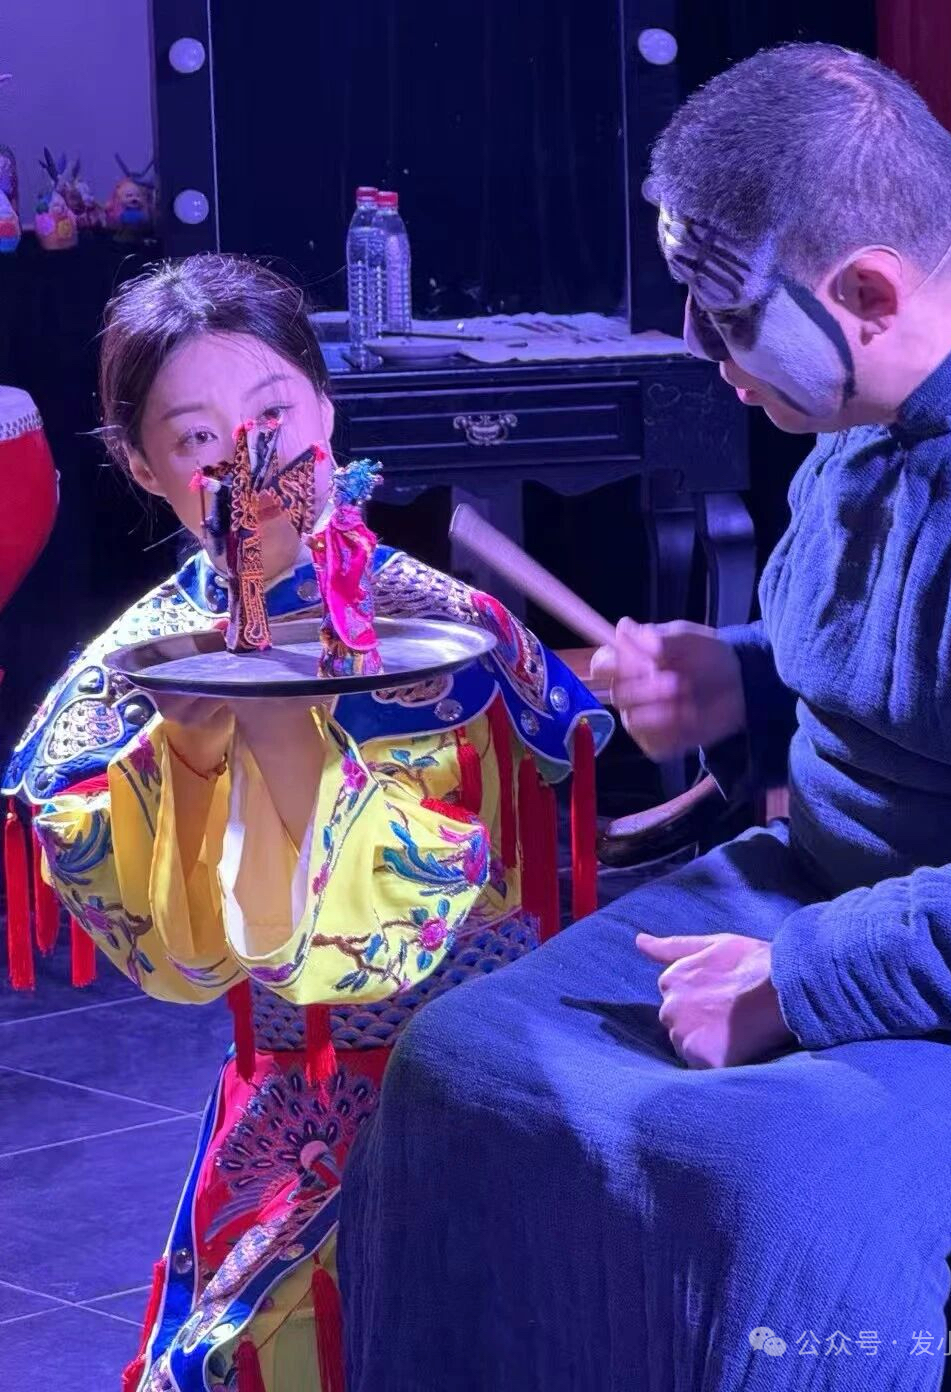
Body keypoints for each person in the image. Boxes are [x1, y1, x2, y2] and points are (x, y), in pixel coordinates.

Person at [337, 44, 951, 1391]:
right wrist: (747, 677)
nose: (698, 346)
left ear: (868, 291)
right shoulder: (865, 379)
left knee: (761, 1192)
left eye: (725, 312)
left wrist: (805, 980)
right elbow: (947, 670)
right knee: (457, 1069)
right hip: (817, 887)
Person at [2, 254, 611, 1392]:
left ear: (327, 410)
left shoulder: (447, 627)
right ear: (140, 465)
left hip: (504, 1079)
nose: (249, 456)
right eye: (196, 438)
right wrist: (206, 737)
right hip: (303, 1100)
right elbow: (196, 955)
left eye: (273, 412)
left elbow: (454, 894)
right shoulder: (132, 677)